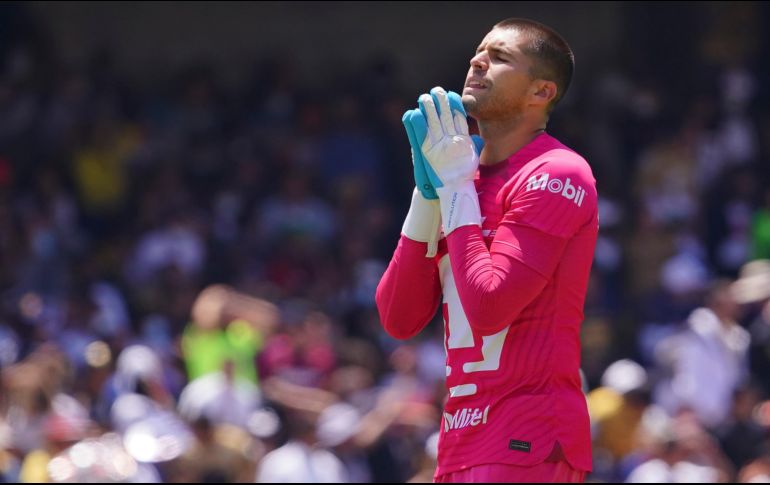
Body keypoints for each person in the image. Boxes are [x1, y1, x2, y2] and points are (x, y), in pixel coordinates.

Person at [376, 18, 598, 483]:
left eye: (499, 57)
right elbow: (398, 318)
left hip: (528, 439)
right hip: (459, 443)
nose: (477, 61)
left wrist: (456, 185)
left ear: (541, 92)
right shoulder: (459, 177)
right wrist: (427, 195)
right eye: (479, 52)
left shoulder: (558, 172)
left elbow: (490, 306)